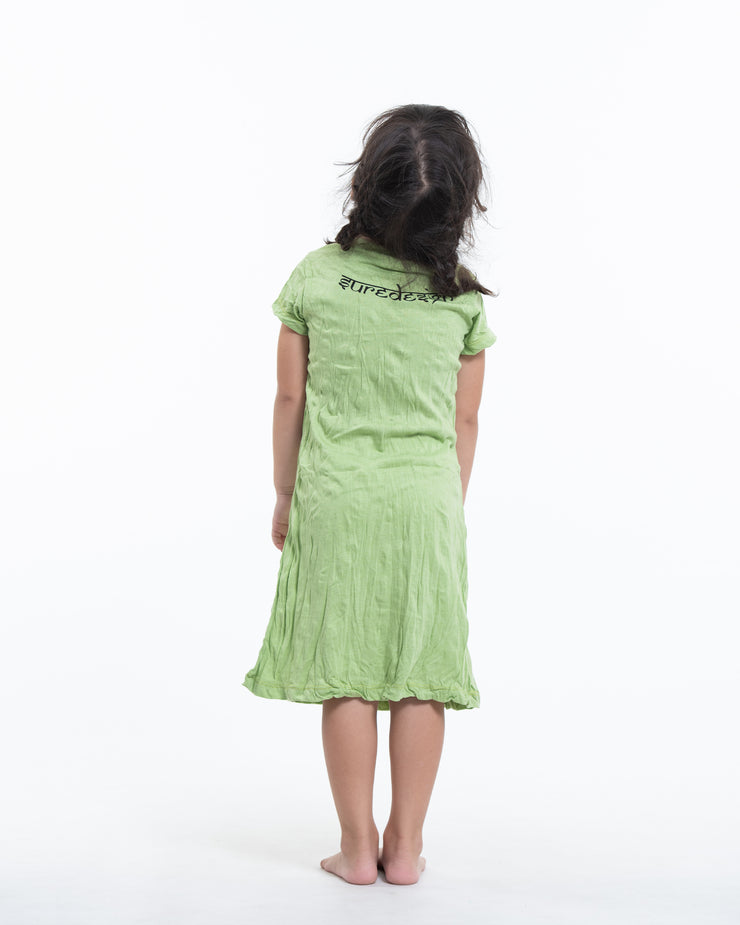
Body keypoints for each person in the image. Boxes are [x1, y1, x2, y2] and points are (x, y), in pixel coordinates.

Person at [242, 103, 498, 886]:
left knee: (347, 669)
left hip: (335, 496)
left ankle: (355, 848)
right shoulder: (461, 299)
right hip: (426, 503)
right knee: (422, 669)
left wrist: (284, 494)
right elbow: (464, 418)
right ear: (459, 202)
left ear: (367, 184)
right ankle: (406, 848)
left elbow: (290, 400)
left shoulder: (316, 277)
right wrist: (445, 503)